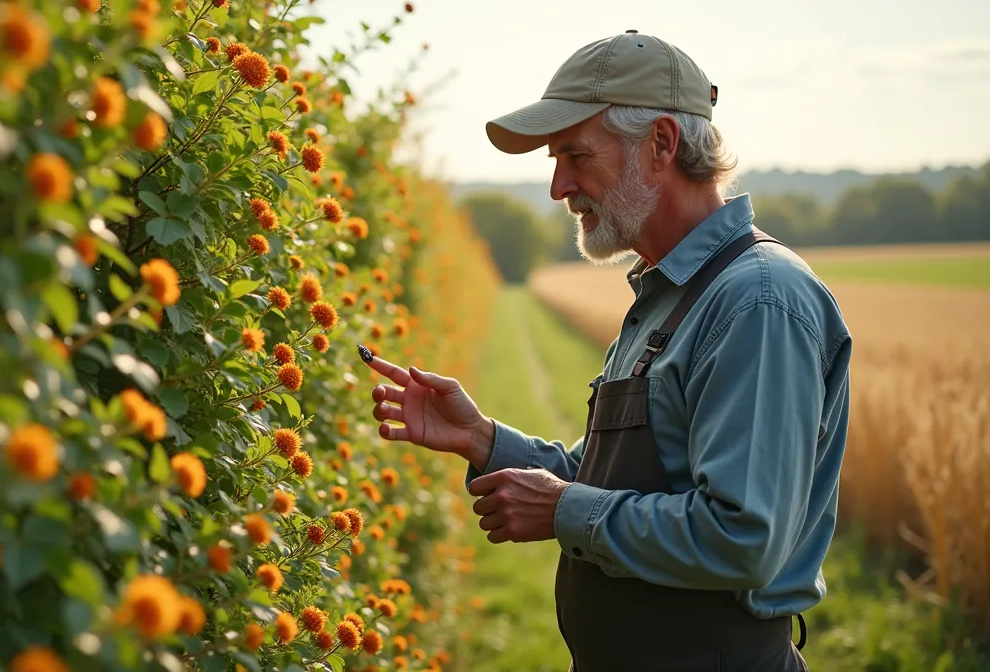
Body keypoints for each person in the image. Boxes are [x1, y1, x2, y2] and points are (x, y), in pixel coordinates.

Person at [361, 30, 852, 671]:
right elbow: (621, 472)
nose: (558, 187)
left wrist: (565, 511)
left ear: (662, 146)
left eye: (574, 156)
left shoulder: (757, 302)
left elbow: (742, 538)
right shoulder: (669, 291)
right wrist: (484, 439)